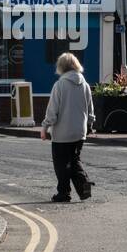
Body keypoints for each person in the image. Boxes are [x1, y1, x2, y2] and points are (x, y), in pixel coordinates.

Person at [40, 52, 96, 202]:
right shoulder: (85, 85)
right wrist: (90, 125)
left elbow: (52, 112)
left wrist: (45, 127)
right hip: (80, 132)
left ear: (61, 67)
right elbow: (90, 110)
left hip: (62, 134)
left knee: (61, 165)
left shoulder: (59, 85)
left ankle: (64, 193)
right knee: (75, 160)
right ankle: (83, 186)